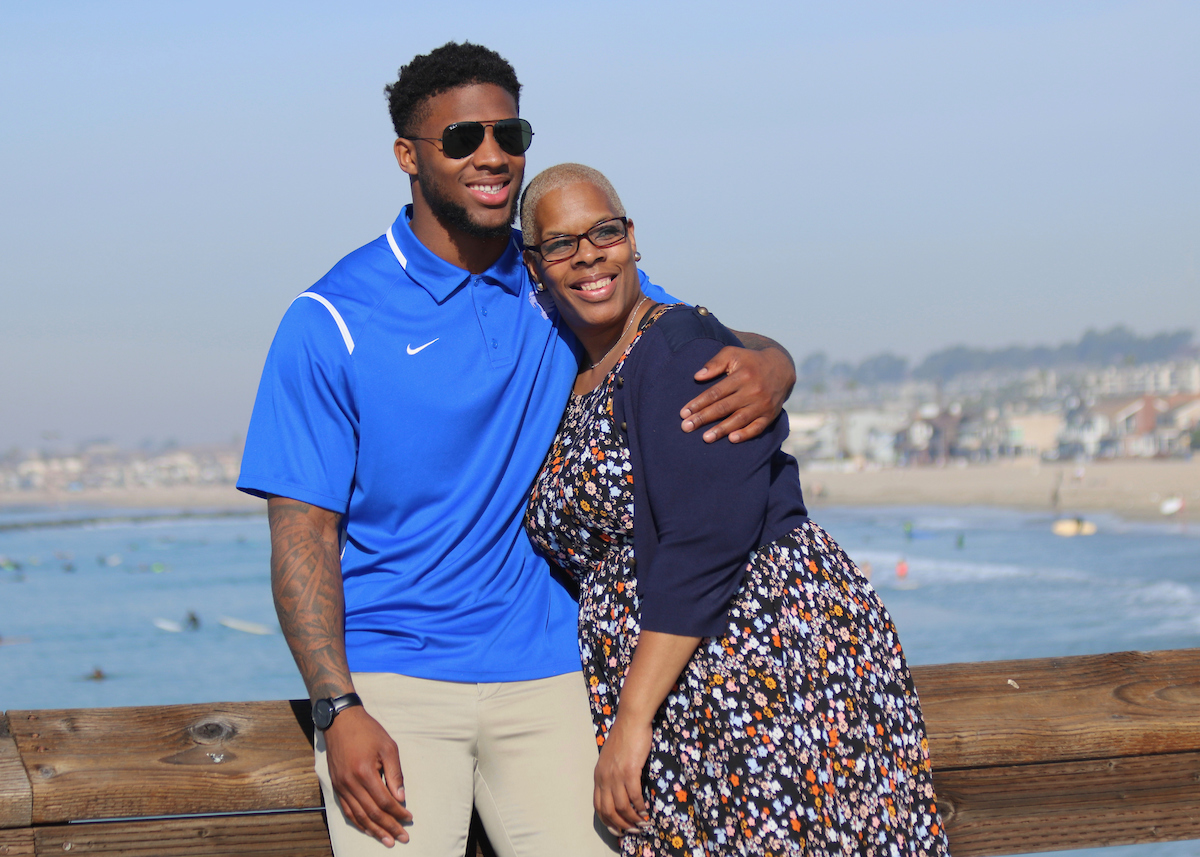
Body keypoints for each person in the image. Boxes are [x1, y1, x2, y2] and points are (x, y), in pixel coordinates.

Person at [237, 42, 796, 857]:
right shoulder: (331, 319)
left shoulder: (559, 277)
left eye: (510, 132)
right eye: (462, 138)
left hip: (552, 670)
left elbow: (694, 339)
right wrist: (336, 707)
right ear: (408, 155)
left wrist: (776, 363)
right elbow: (302, 534)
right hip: (397, 683)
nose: (492, 155)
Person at [521, 164, 949, 856]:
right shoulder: (582, 372)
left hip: (759, 662)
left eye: (604, 231)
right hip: (691, 679)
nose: (589, 254)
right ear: (535, 266)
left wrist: (632, 718)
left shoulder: (676, 344)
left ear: (632, 239)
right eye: (562, 243)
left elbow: (707, 536)